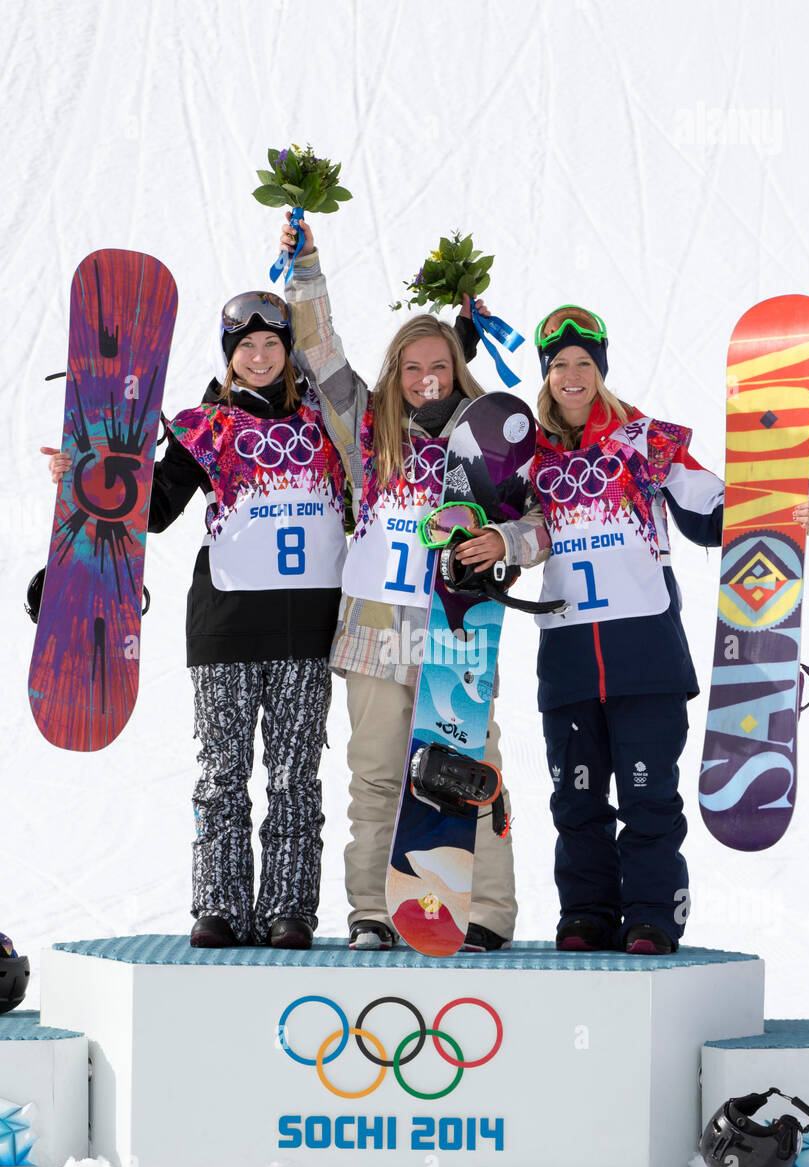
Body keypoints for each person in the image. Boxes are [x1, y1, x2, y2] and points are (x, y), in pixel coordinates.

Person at [456, 303, 809, 955]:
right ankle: (586, 913)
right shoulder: (533, 457)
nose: (573, 376)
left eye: (584, 364)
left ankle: (651, 914)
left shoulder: (647, 443)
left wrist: (781, 508)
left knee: (649, 798)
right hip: (568, 660)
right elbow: (531, 530)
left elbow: (712, 511)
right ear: (546, 375)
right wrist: (499, 543)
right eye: (561, 365)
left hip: (645, 657)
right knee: (578, 803)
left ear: (601, 370)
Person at [44, 291, 347, 950]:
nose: (260, 356)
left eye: (272, 344)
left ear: (288, 350)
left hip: (308, 626)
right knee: (222, 774)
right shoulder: (204, 427)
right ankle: (220, 906)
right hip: (226, 625)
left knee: (296, 775)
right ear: (230, 357)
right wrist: (92, 472)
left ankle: (289, 908)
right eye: (246, 347)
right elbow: (150, 509)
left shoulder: (329, 419)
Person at [277, 218, 517, 951]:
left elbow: (539, 519)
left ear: (455, 367)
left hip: (458, 626)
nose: (425, 380)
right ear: (397, 371)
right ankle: (373, 912)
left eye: (437, 366)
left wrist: (505, 538)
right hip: (378, 622)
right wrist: (307, 269)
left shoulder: (486, 436)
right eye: (411, 368)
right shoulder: (365, 422)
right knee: (379, 773)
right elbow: (318, 351)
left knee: (471, 769)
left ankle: (485, 913)